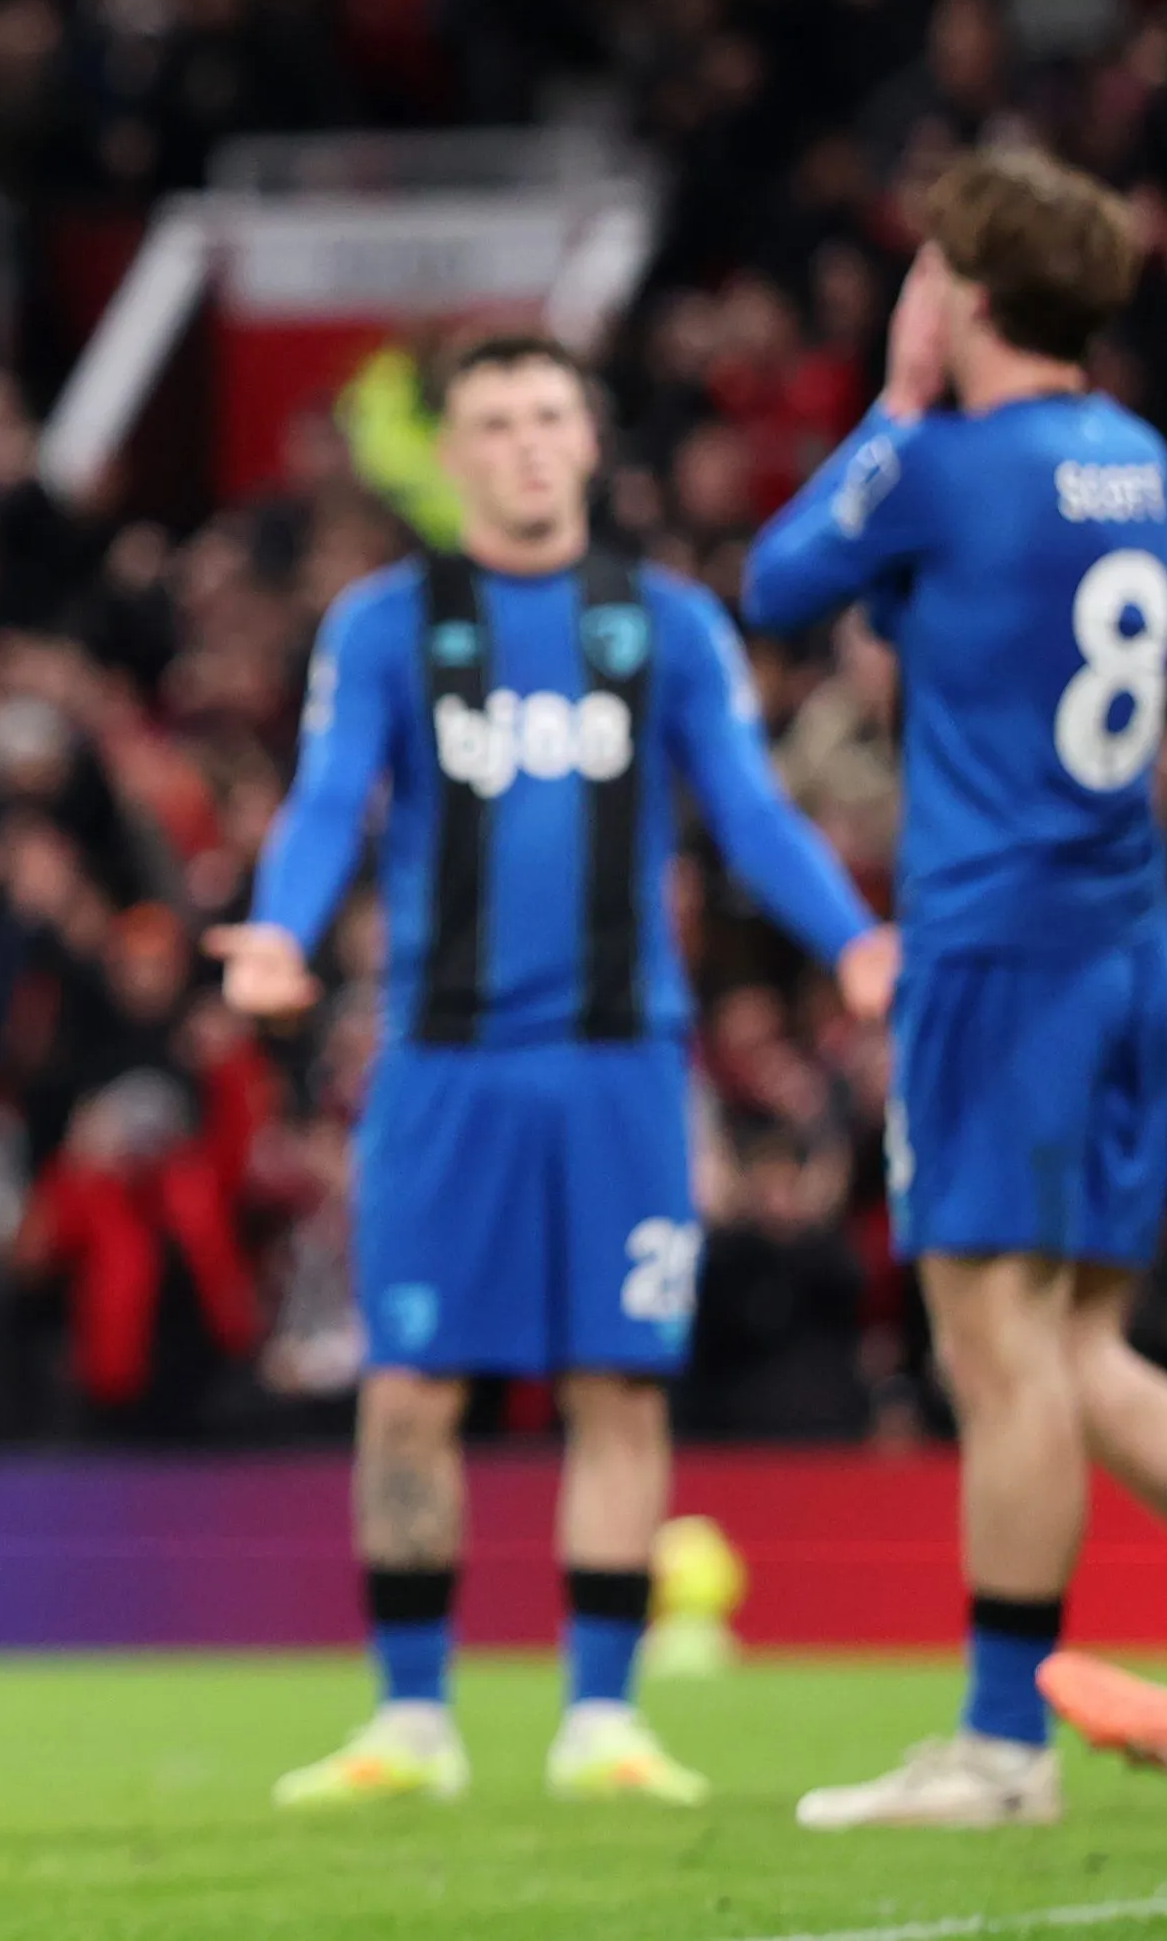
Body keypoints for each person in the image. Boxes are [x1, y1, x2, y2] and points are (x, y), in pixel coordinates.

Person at [214, 334, 891, 1812]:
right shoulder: (385, 625)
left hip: (617, 1065)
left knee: (619, 1384)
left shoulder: (665, 625)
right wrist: (275, 931)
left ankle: (601, 1713)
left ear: (588, 443)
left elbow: (752, 811)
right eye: (492, 422)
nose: (522, 444)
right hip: (440, 1066)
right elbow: (328, 797)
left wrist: (852, 939)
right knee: (406, 1389)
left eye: (544, 417)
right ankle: (410, 1717)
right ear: (449, 455)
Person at [743, 147, 1167, 1831]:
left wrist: (897, 406)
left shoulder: (946, 465)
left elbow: (776, 581)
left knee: (994, 1351)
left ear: (961, 298)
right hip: (1129, 945)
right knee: (1073, 1344)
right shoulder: (1134, 460)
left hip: (994, 947)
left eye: (921, 273)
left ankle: (998, 1746)